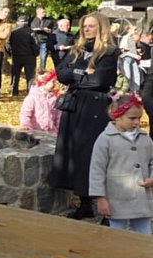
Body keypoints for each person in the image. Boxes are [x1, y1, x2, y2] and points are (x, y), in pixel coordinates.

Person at [48, 12, 119, 220]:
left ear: (101, 27)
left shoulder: (109, 51)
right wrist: (83, 72)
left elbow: (99, 80)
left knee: (93, 154)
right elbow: (61, 73)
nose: (86, 29)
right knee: (75, 153)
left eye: (91, 26)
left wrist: (76, 74)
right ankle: (84, 204)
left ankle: (104, 207)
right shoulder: (77, 49)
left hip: (94, 107)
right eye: (84, 26)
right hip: (74, 104)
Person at [90, 92, 153, 234]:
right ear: (117, 115)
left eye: (139, 118)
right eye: (132, 118)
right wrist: (100, 198)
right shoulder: (105, 139)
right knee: (116, 235)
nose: (137, 122)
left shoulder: (145, 139)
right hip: (116, 199)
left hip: (141, 199)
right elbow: (96, 170)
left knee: (143, 235)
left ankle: (142, 256)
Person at [7, 15, 38, 96]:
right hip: (29, 56)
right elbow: (35, 44)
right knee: (30, 75)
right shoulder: (31, 31)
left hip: (16, 55)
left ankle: (14, 91)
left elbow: (7, 43)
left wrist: (10, 52)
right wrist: (35, 53)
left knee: (15, 74)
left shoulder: (13, 32)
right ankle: (30, 92)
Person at [30, 6, 56, 71]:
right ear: (37, 12)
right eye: (42, 12)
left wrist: (50, 31)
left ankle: (42, 69)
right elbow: (31, 28)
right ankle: (32, 69)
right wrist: (42, 29)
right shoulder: (32, 20)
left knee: (43, 56)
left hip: (44, 40)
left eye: (44, 12)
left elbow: (55, 28)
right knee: (32, 56)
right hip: (34, 40)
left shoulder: (49, 20)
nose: (44, 13)